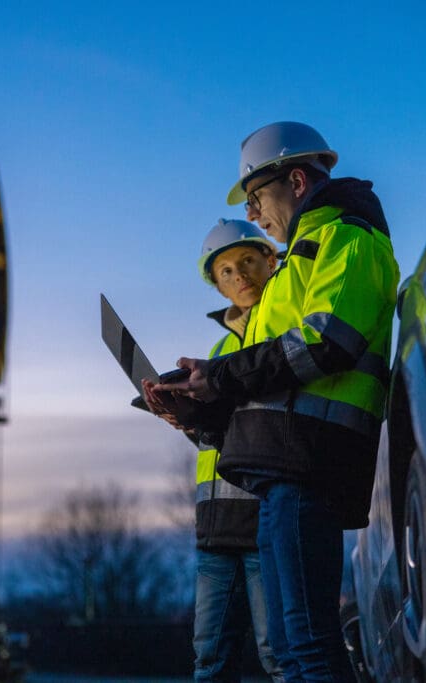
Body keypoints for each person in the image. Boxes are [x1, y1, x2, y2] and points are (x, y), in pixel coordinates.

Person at [152, 122, 399, 681]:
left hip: (309, 466)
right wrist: (200, 410)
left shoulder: (349, 238)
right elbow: (271, 382)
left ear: (295, 179)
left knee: (308, 646)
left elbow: (326, 341)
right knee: (289, 651)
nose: (257, 215)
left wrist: (221, 375)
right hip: (281, 473)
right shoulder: (298, 263)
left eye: (258, 198)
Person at [143, 219, 284, 683]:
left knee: (281, 656)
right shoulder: (220, 349)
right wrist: (182, 416)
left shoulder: (285, 326)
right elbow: (220, 435)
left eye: (246, 261)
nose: (239, 275)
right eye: (225, 271)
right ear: (217, 286)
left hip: (270, 519)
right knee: (209, 661)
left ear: (271, 259)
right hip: (216, 528)